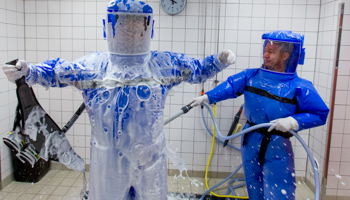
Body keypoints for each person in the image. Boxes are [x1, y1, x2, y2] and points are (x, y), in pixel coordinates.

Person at [2, 0, 235, 199]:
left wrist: (218, 61)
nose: (131, 31)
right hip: (108, 162)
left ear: (149, 28)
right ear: (109, 27)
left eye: (137, 24)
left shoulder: (162, 65)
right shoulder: (94, 67)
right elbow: (58, 72)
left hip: (150, 160)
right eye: (123, 24)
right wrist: (29, 71)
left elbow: (196, 70)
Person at [190, 30, 329, 200]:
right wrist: (207, 97)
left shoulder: (299, 86)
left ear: (285, 55)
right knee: (253, 186)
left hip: (277, 143)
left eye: (271, 52)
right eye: (265, 50)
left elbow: (319, 113)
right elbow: (231, 86)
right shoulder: (252, 76)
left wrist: (294, 121)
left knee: (279, 191)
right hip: (250, 139)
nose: (265, 55)